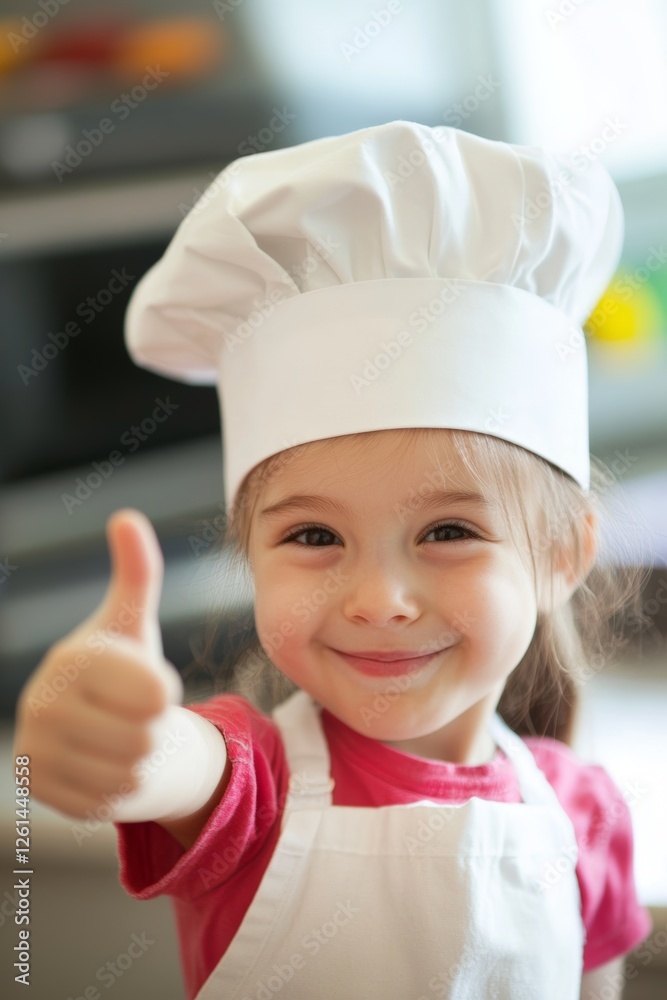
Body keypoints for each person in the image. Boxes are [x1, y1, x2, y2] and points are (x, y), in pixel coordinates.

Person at [14, 121, 653, 999]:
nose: (380, 599)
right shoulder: (249, 788)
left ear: (559, 553)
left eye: (447, 532)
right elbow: (167, 762)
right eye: (313, 537)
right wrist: (104, 731)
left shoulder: (584, 817)